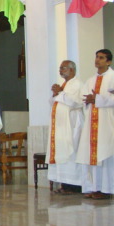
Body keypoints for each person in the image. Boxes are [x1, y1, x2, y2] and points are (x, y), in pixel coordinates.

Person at [75, 49, 114, 199]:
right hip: (92, 123)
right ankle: (95, 187)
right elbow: (82, 97)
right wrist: (88, 100)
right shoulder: (90, 80)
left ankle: (108, 189)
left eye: (102, 58)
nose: (97, 60)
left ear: (109, 61)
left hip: (108, 123)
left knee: (107, 155)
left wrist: (97, 99)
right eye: (97, 57)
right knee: (93, 155)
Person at [47, 60, 84, 194]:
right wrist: (55, 94)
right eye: (60, 68)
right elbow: (53, 102)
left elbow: (76, 102)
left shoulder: (78, 84)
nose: (60, 70)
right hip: (60, 126)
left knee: (71, 153)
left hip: (72, 124)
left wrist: (61, 92)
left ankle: (74, 186)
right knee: (61, 152)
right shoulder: (64, 84)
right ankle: (64, 184)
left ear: (72, 70)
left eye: (63, 68)